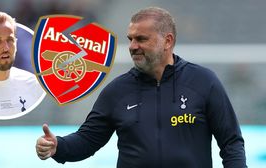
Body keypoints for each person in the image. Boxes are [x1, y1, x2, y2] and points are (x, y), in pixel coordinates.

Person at [35, 7, 247, 168]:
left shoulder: (203, 81)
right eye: (131, 39)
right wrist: (58, 146)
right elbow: (88, 140)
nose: (133, 46)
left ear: (167, 41)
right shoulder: (117, 91)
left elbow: (231, 142)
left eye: (141, 39)